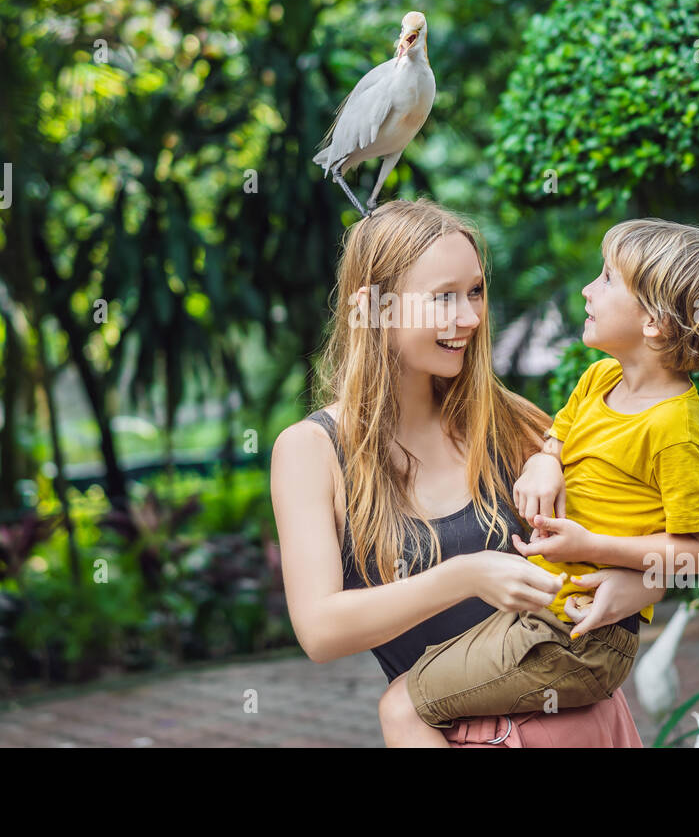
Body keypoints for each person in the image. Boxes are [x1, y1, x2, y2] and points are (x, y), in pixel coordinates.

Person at [270, 199, 663, 747]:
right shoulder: (313, 452)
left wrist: (638, 581)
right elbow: (320, 631)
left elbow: (643, 537)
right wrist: (467, 575)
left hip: (588, 724)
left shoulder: (517, 427)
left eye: (475, 291)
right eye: (444, 298)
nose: (470, 317)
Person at [379, 217, 699, 746]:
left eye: (606, 279)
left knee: (403, 705)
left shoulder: (674, 429)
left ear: (655, 322)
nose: (587, 289)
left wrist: (592, 546)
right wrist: (545, 462)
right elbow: (558, 436)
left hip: (582, 643)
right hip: (545, 618)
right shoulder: (599, 380)